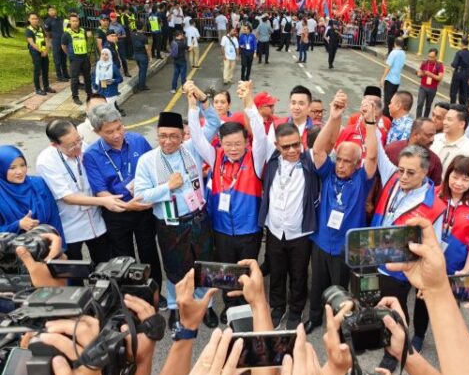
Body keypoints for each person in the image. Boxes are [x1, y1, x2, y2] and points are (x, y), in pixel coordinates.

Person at [260, 90, 347, 330]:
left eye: (295, 145)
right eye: (285, 147)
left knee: (298, 275)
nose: (291, 151)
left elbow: (325, 145)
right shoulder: (272, 162)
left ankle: (296, 310)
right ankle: (277, 307)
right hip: (276, 231)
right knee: (277, 273)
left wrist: (335, 116)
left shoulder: (309, 161)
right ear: (277, 146)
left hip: (300, 233)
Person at [185, 81, 269, 324]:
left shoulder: (255, 157)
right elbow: (198, 137)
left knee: (244, 270)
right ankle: (230, 304)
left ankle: (247, 303)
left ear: (246, 143)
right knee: (225, 269)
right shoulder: (216, 157)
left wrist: (249, 102)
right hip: (221, 228)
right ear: (221, 143)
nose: (233, 149)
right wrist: (193, 107)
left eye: (238, 144)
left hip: (249, 229)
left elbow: (261, 134)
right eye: (228, 144)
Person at [135, 110, 217, 328]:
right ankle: (174, 307)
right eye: (162, 135)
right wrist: (167, 187)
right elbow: (141, 196)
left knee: (203, 264)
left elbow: (214, 122)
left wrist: (200, 102)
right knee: (174, 269)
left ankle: (206, 305)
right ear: (157, 134)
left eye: (173, 136)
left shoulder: (192, 149)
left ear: (183, 135)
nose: (167, 141)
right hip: (170, 224)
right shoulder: (147, 161)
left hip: (198, 217)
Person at [305, 97, 376, 334]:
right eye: (340, 160)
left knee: (341, 287)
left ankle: (338, 324)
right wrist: (334, 117)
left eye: (347, 162)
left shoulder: (361, 180)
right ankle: (315, 316)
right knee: (317, 285)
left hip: (346, 247)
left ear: (357, 164)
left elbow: (373, 157)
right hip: (322, 241)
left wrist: (371, 124)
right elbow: (317, 149)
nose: (341, 165)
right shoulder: (327, 173)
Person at [372, 143, 446, 371]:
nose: (403, 176)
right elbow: (377, 152)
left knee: (397, 308)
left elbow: (434, 247)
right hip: (376, 256)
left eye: (410, 172)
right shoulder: (394, 181)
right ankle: (380, 332)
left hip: (401, 267)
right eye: (400, 169)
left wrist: (426, 280)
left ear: (425, 172)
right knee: (378, 300)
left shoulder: (435, 207)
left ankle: (393, 351)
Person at [405, 155, 469, 351]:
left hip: (456, 266)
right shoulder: (432, 194)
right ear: (447, 175)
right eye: (455, 177)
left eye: (466, 179)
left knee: (451, 305)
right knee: (422, 300)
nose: (459, 183)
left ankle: (448, 342)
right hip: (428, 262)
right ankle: (418, 335)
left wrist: (466, 270)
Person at [82, 104, 163, 302]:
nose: (117, 135)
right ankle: (130, 297)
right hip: (117, 213)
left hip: (144, 208)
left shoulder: (137, 141)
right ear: (97, 132)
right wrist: (128, 206)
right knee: (123, 256)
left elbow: (155, 166)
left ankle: (155, 293)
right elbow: (102, 192)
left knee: (149, 251)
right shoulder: (92, 155)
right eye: (109, 132)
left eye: (119, 128)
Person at [36, 120, 123, 262]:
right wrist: (103, 201)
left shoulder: (85, 147)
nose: (78, 146)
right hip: (70, 224)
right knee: (74, 270)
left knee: (104, 265)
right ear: (54, 144)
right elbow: (67, 196)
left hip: (96, 221)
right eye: (71, 145)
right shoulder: (46, 161)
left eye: (78, 139)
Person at [0, 145, 64, 242]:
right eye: (12, 168)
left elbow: (54, 217)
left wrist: (60, 247)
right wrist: (18, 225)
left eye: (23, 165)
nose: (20, 171)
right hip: (14, 253)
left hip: (47, 247)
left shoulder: (38, 184)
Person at [385, 118, 443, 186]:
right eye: (428, 135)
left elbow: (434, 189)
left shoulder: (435, 162)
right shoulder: (391, 150)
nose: (432, 139)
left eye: (433, 135)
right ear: (415, 134)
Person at [430, 104, 469, 176]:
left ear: (461, 124)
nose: (444, 122)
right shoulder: (435, 138)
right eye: (445, 118)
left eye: (449, 119)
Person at [61, 13, 92, 105]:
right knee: (74, 79)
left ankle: (89, 95)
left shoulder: (83, 31)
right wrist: (70, 54)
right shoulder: (66, 34)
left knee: (87, 77)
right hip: (75, 59)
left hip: (84, 58)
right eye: (73, 21)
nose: (75, 23)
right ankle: (75, 96)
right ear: (70, 22)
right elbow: (63, 46)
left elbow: (85, 42)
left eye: (76, 21)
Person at [25, 13, 55, 96]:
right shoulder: (29, 30)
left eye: (36, 18)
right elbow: (32, 43)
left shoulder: (40, 28)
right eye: (33, 19)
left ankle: (46, 86)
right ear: (29, 20)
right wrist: (41, 51)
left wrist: (46, 50)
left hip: (44, 51)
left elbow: (46, 39)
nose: (35, 20)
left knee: (45, 68)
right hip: (35, 52)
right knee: (37, 70)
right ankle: (37, 88)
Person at [379, 38, 406, 118]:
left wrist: (383, 78)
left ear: (395, 44)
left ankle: (386, 118)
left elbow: (388, 66)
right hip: (397, 80)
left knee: (387, 101)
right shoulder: (403, 53)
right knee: (392, 100)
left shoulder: (393, 53)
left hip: (390, 79)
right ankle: (391, 116)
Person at [92, 48, 124, 113]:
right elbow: (94, 77)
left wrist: (112, 81)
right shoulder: (97, 66)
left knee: (109, 110)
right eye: (102, 54)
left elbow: (120, 79)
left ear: (109, 56)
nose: (104, 56)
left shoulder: (113, 67)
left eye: (106, 55)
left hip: (110, 91)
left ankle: (115, 119)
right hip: (100, 91)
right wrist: (94, 87)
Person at [416, 48, 444, 118]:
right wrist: (420, 74)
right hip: (423, 87)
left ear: (436, 57)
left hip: (432, 89)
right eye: (429, 56)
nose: (430, 58)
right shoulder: (424, 63)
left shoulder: (439, 65)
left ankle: (425, 119)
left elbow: (440, 78)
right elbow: (419, 73)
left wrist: (430, 74)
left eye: (432, 57)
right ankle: (418, 119)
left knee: (428, 106)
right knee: (420, 103)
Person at [43, 6, 69, 82]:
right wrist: (49, 40)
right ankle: (59, 76)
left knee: (63, 58)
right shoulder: (48, 21)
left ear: (56, 10)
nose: (52, 11)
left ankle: (65, 73)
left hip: (63, 40)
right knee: (57, 59)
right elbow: (46, 32)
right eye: (50, 10)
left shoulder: (61, 19)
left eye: (53, 10)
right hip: (55, 40)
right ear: (48, 12)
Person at [449, 38, 469, 105]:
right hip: (466, 73)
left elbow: (454, 64)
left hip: (458, 72)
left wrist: (452, 64)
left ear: (462, 43)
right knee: (463, 91)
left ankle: (452, 105)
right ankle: (462, 107)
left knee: (454, 91)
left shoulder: (459, 52)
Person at [109, 12, 131, 77]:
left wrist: (118, 37)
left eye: (114, 17)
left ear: (116, 18)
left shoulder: (120, 26)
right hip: (112, 43)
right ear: (110, 18)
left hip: (120, 42)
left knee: (123, 57)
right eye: (112, 17)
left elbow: (124, 35)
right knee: (113, 58)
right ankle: (114, 73)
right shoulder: (109, 26)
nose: (113, 19)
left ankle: (126, 72)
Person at [132, 20, 151, 92]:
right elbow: (147, 48)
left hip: (136, 55)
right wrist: (150, 57)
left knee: (140, 70)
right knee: (143, 71)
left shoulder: (133, 35)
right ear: (143, 27)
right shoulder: (144, 37)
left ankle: (140, 83)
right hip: (143, 56)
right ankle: (141, 86)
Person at [170, 29, 188, 93]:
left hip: (175, 61)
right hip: (182, 61)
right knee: (183, 75)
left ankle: (173, 89)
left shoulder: (173, 42)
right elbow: (188, 48)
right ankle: (183, 89)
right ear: (180, 35)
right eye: (182, 34)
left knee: (175, 75)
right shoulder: (182, 43)